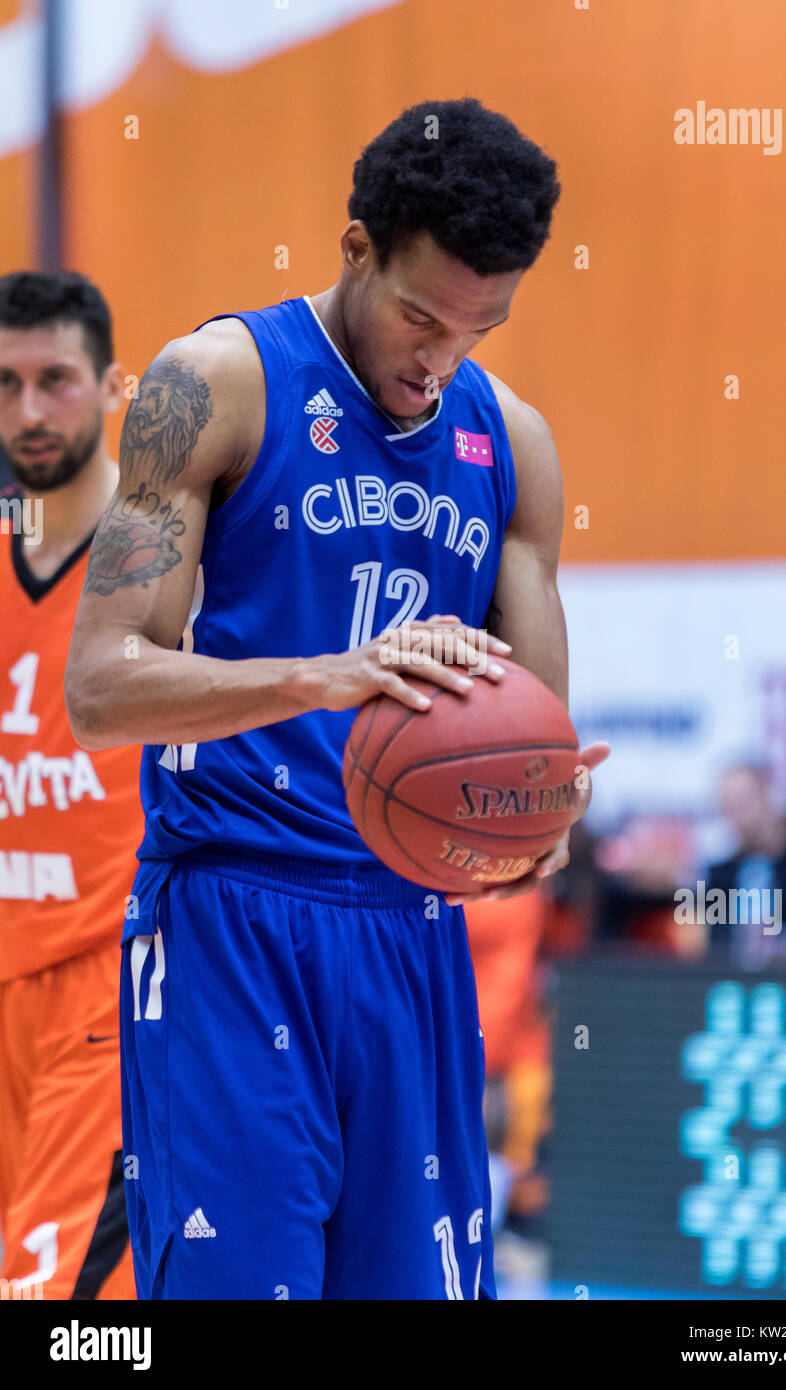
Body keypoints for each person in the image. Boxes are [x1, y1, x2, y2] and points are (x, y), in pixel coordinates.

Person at [65, 97, 609, 1301]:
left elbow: (536, 748)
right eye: (420, 316)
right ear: (355, 246)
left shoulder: (514, 445)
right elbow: (99, 688)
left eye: (480, 328)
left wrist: (538, 815)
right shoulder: (208, 385)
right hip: (230, 919)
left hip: (410, 932)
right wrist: (326, 678)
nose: (440, 359)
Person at [0, 270, 140, 1298]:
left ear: (112, 386)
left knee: (50, 1299)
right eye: (5, 385)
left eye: (55, 379)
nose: (30, 411)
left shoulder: (171, 567)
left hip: (109, 987)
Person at [705, 761, 786, 967]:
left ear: (765, 795)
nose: (737, 813)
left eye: (743, 801)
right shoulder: (720, 875)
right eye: (729, 804)